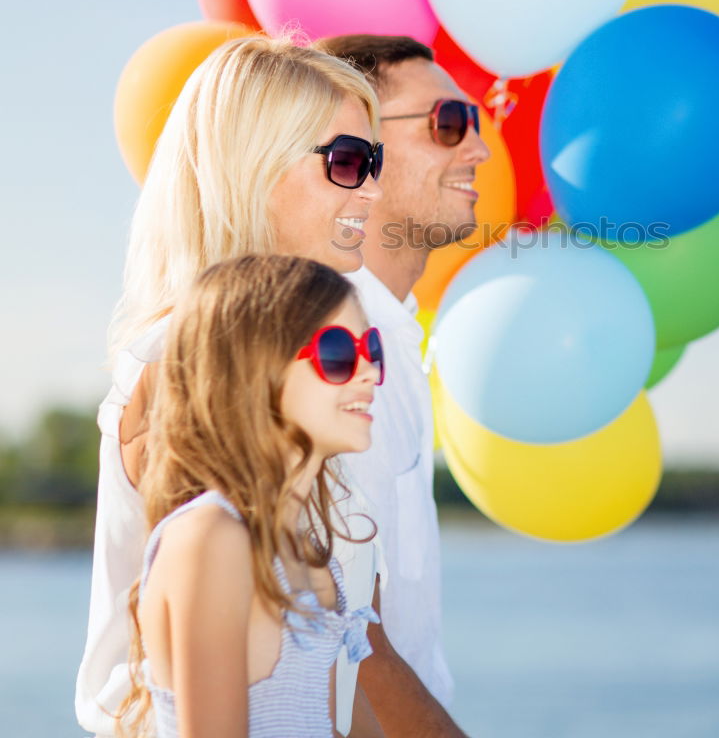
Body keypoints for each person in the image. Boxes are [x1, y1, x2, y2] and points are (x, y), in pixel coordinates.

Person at [77, 37, 461, 737]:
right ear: (251, 170)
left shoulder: (311, 364)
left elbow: (332, 674)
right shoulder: (180, 369)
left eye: (372, 163)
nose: (371, 190)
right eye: (346, 163)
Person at [118, 254, 385, 738]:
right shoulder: (210, 538)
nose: (368, 372)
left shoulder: (309, 559)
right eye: (339, 353)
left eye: (374, 348)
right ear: (253, 372)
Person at [312, 36, 489, 721]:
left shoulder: (392, 334)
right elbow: (341, 630)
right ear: (357, 146)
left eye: (472, 125)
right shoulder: (334, 344)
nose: (477, 149)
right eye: (447, 123)